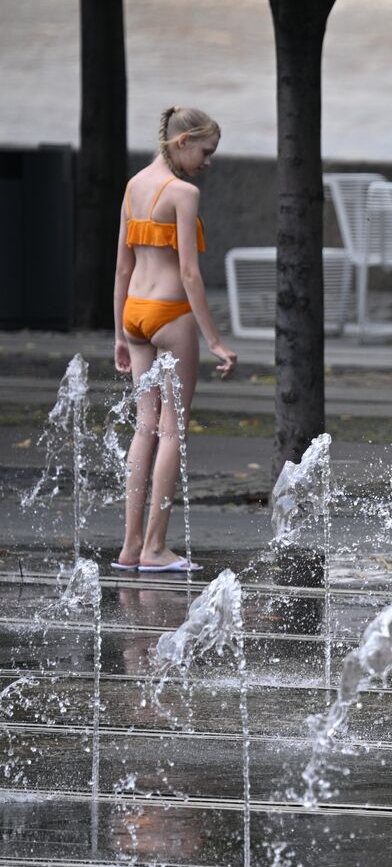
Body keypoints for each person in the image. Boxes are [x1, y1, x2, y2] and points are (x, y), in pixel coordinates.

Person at [112, 106, 237, 573]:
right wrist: (215, 340)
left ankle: (129, 546)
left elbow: (123, 266)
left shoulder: (133, 186)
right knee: (171, 429)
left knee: (144, 426)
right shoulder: (183, 193)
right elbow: (189, 272)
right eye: (206, 151)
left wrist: (118, 335)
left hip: (134, 316)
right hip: (169, 314)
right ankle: (156, 548)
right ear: (183, 140)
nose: (208, 161)